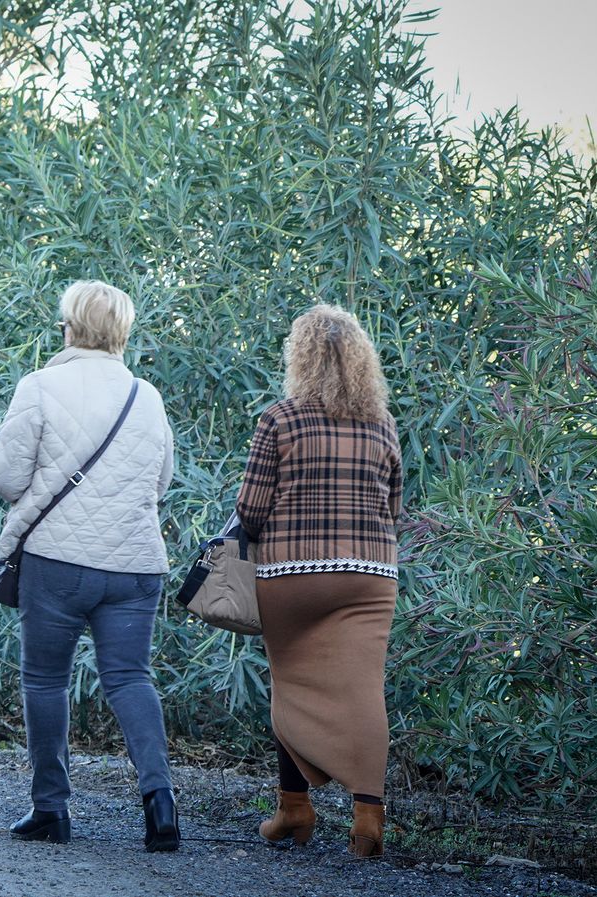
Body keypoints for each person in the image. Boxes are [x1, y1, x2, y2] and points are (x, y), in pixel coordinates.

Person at [0, 280, 180, 851]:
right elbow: (162, 481)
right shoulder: (146, 395)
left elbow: (4, 479)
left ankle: (50, 809)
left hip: (58, 563)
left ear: (70, 327)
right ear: (122, 331)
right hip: (135, 564)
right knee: (129, 677)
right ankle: (161, 803)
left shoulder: (40, 385)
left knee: (46, 679)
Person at [239, 304, 402, 858]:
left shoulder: (279, 420)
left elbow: (250, 510)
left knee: (293, 683)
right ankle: (368, 818)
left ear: (300, 357)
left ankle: (294, 808)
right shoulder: (382, 425)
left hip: (292, 575)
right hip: (370, 576)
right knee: (363, 690)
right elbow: (395, 506)